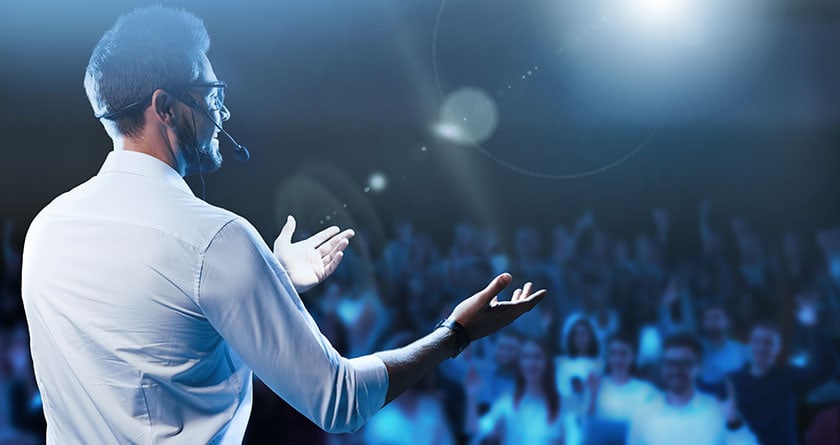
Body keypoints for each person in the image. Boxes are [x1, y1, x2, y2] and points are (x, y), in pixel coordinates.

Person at [20, 7, 548, 443]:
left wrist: (270, 277)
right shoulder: (217, 240)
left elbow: (156, 345)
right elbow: (338, 403)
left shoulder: (44, 229)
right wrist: (455, 334)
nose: (222, 113)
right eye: (211, 92)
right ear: (167, 108)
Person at [728, 298, 837, 445]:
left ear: (778, 348)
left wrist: (813, 326)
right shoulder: (732, 382)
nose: (761, 347)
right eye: (756, 341)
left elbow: (828, 368)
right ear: (749, 344)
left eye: (768, 342)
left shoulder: (789, 377)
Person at [627, 333, 757, 445]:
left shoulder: (718, 411)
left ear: (699, 367)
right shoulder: (643, 413)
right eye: (670, 363)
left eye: (684, 363)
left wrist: (733, 423)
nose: (676, 370)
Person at [468, 338, 565, 445]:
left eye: (537, 357)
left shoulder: (562, 404)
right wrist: (472, 395)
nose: (531, 363)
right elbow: (476, 430)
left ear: (547, 363)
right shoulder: (507, 402)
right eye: (525, 357)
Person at [583, 332, 657, 444]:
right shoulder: (596, 387)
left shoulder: (647, 391)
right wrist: (593, 395)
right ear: (607, 357)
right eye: (613, 353)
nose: (618, 359)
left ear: (633, 356)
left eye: (623, 353)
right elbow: (586, 426)